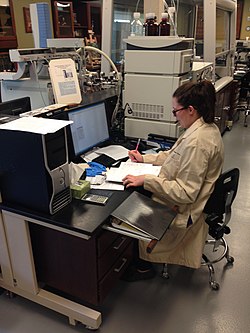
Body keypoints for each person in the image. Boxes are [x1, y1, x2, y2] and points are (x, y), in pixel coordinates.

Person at [122, 80, 224, 281]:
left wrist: (147, 180)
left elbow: (185, 193)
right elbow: (174, 155)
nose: (175, 118)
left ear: (191, 109)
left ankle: (143, 266)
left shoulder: (197, 143)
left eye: (175, 111)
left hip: (181, 208)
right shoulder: (203, 128)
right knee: (136, 190)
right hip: (184, 197)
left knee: (124, 210)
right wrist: (144, 158)